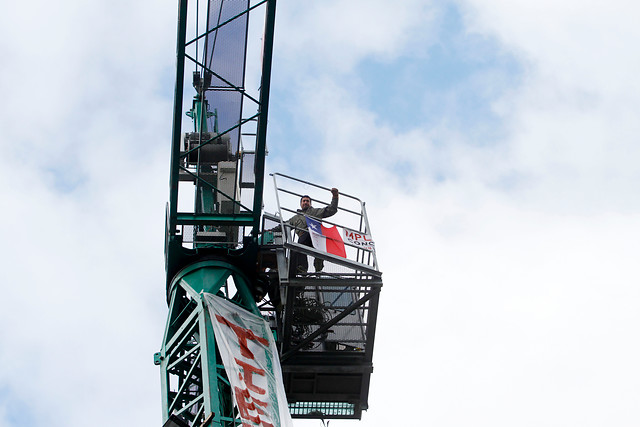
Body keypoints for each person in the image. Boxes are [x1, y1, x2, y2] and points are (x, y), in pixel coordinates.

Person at [285, 188, 339, 275]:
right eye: (303, 201)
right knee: (295, 249)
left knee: (318, 251)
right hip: (303, 237)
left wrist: (335, 196)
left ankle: (318, 269)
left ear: (310, 203)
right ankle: (301, 269)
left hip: (315, 235)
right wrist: (271, 230)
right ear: (301, 204)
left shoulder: (316, 212)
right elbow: (284, 225)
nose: (305, 202)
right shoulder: (295, 218)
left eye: (307, 201)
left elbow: (331, 209)